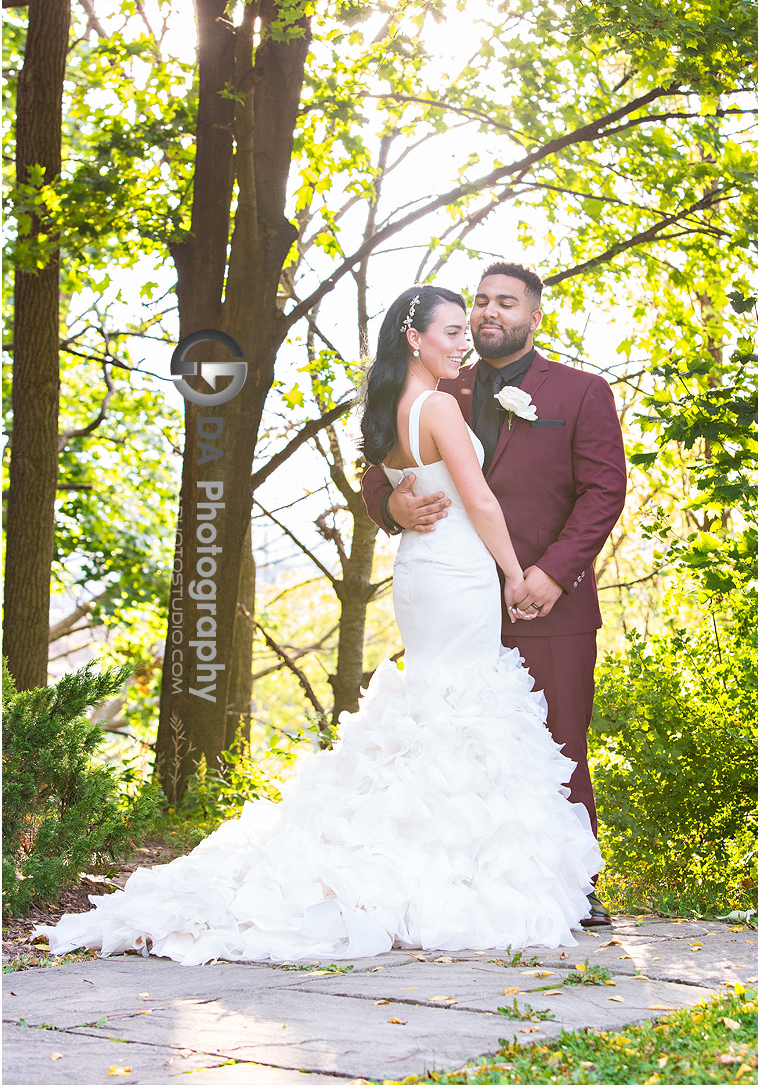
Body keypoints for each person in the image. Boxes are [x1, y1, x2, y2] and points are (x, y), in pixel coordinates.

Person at [31, 284, 601, 967]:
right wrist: (486, 555)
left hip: (455, 580)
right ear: (415, 337)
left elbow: (590, 489)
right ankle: (455, 876)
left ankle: (471, 869)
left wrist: (527, 567)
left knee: (471, 717)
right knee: (460, 711)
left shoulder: (474, 398)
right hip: (459, 575)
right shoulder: (445, 397)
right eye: (461, 318)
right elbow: (447, 490)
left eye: (488, 313)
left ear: (533, 315)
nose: (473, 329)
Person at [361, 264, 627, 927]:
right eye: (479, 300)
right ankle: (457, 884)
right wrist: (393, 504)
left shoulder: (580, 391)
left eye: (505, 302)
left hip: (547, 600)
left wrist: (548, 573)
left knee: (555, 742)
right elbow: (380, 473)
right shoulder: (436, 385)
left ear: (534, 317)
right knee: (458, 737)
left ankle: (572, 885)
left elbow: (604, 491)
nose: (487, 312)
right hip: (458, 595)